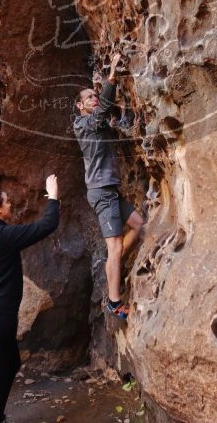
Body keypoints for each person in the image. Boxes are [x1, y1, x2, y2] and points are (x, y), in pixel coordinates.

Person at [0, 175, 60, 423]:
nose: (10, 206)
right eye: (7, 203)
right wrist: (53, 196)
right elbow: (47, 225)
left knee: (11, 363)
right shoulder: (1, 236)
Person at [73, 53, 144, 320]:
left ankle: (114, 262)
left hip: (109, 190)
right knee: (113, 248)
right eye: (89, 97)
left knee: (139, 225)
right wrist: (111, 77)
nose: (94, 98)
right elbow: (102, 112)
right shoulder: (84, 125)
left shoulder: (90, 123)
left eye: (95, 94)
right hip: (102, 192)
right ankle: (114, 302)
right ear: (81, 106)